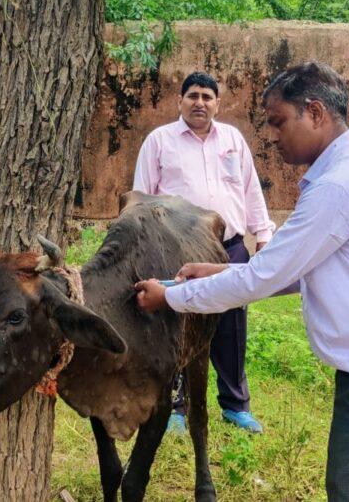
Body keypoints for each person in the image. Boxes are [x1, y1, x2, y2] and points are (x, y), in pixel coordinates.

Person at [134, 61, 349, 501]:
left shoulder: (339, 186)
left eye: (279, 122)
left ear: (314, 113)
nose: (272, 136)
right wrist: (220, 270)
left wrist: (171, 297)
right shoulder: (342, 174)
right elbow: (296, 273)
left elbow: (263, 278)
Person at [132, 71, 276, 434]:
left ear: (217, 103)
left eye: (207, 97)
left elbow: (249, 188)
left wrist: (263, 235)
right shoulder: (159, 141)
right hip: (175, 249)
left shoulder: (232, 139)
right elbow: (141, 197)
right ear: (179, 101)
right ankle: (176, 407)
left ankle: (235, 405)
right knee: (177, 324)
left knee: (231, 326)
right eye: (193, 96)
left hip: (228, 248)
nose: (200, 103)